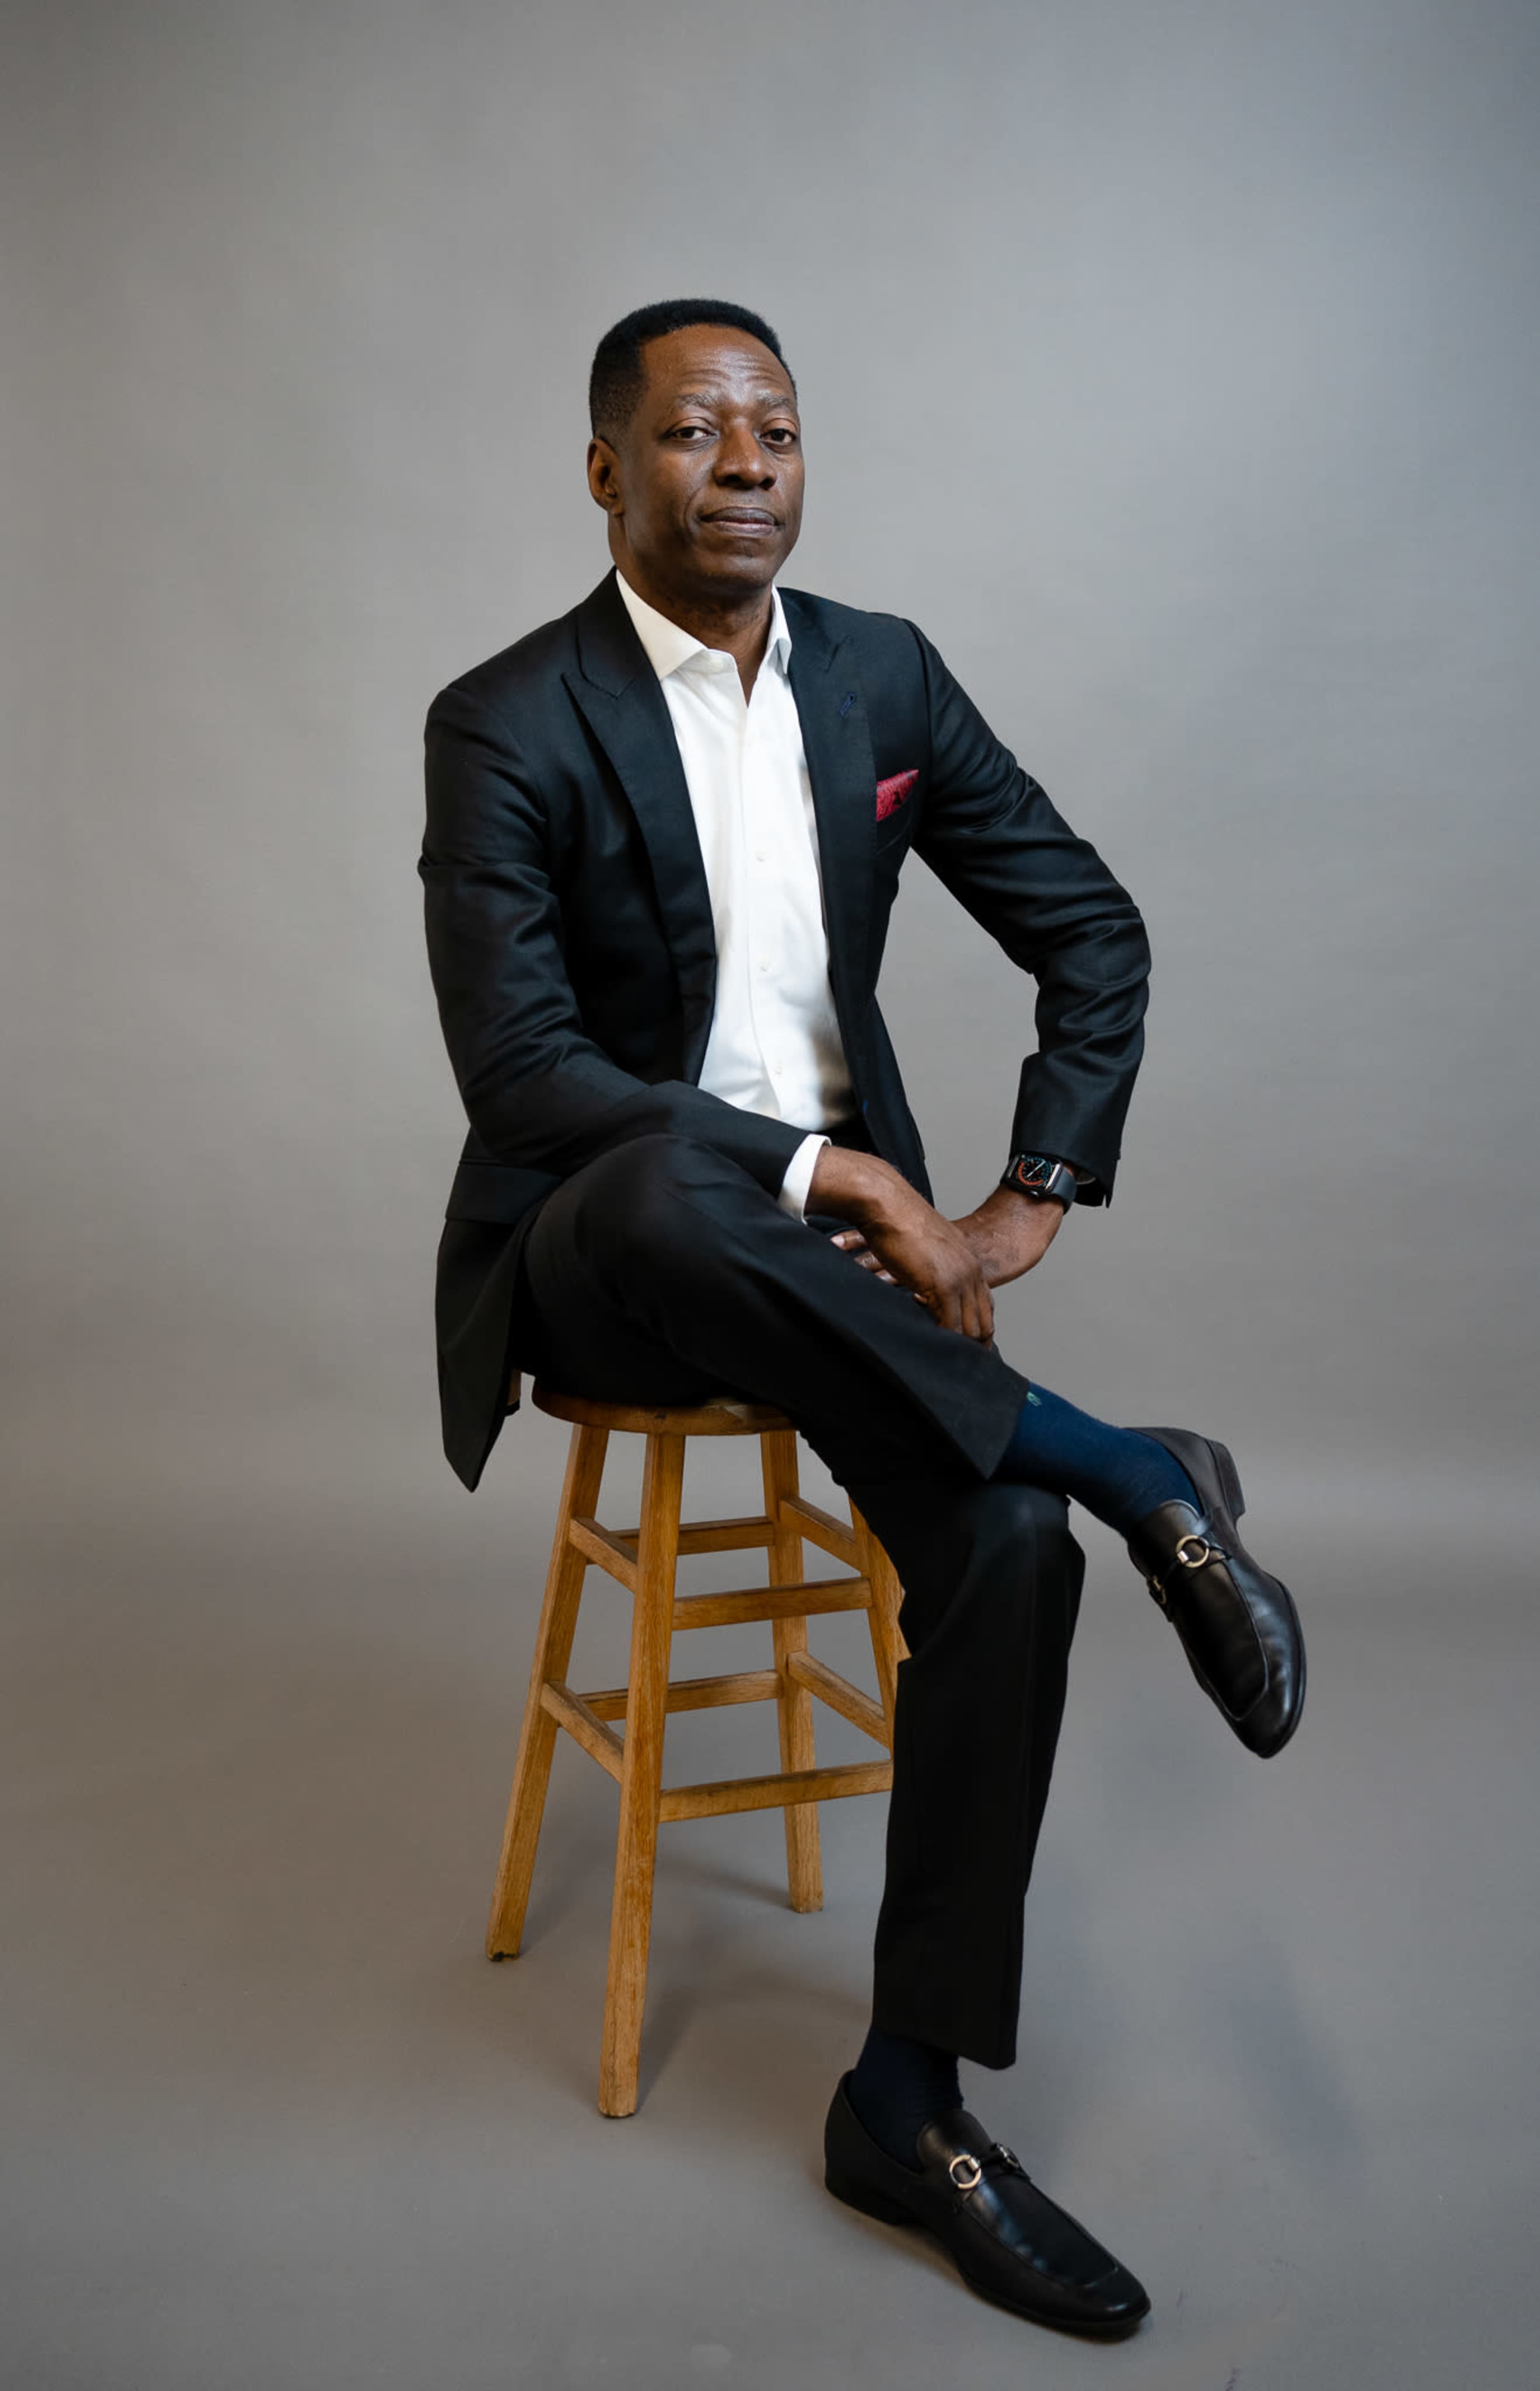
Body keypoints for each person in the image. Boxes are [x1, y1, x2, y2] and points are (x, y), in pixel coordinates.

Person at [419, 297, 1304, 2338]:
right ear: (603, 469)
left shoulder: (886, 676)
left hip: (856, 1286)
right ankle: (1133, 1468)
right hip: (614, 1254)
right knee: (664, 1173)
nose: (744, 465)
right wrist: (832, 1175)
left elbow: (1092, 925)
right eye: (695, 431)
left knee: (1001, 1549)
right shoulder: (508, 719)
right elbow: (528, 1077)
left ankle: (907, 2105)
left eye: (778, 431)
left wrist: (1017, 1207)